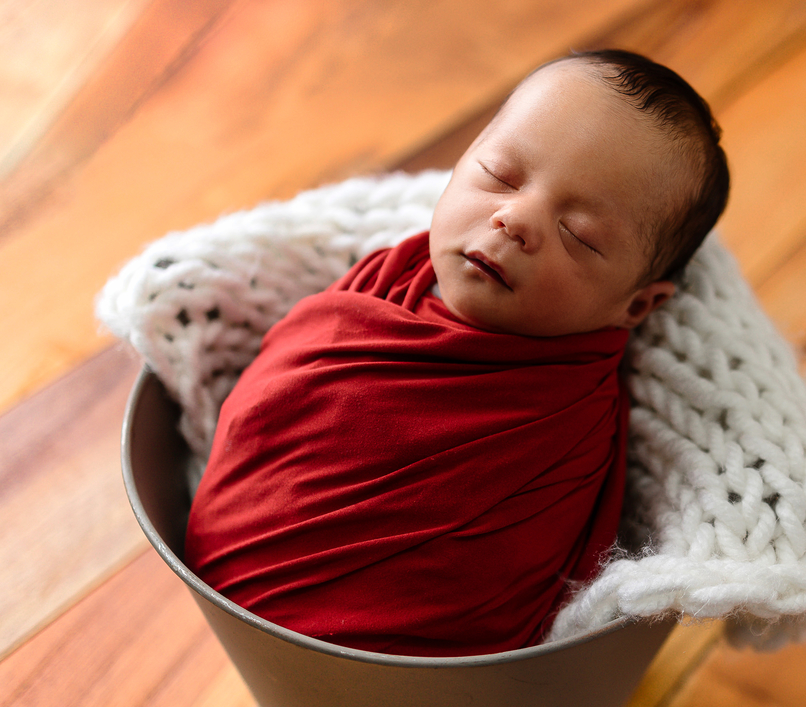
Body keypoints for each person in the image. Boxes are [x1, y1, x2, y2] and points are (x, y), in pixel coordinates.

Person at [184, 49, 730, 656]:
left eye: (579, 235)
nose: (514, 218)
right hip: (229, 585)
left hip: (420, 674)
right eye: (499, 173)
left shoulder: (563, 415)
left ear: (634, 307)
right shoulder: (388, 277)